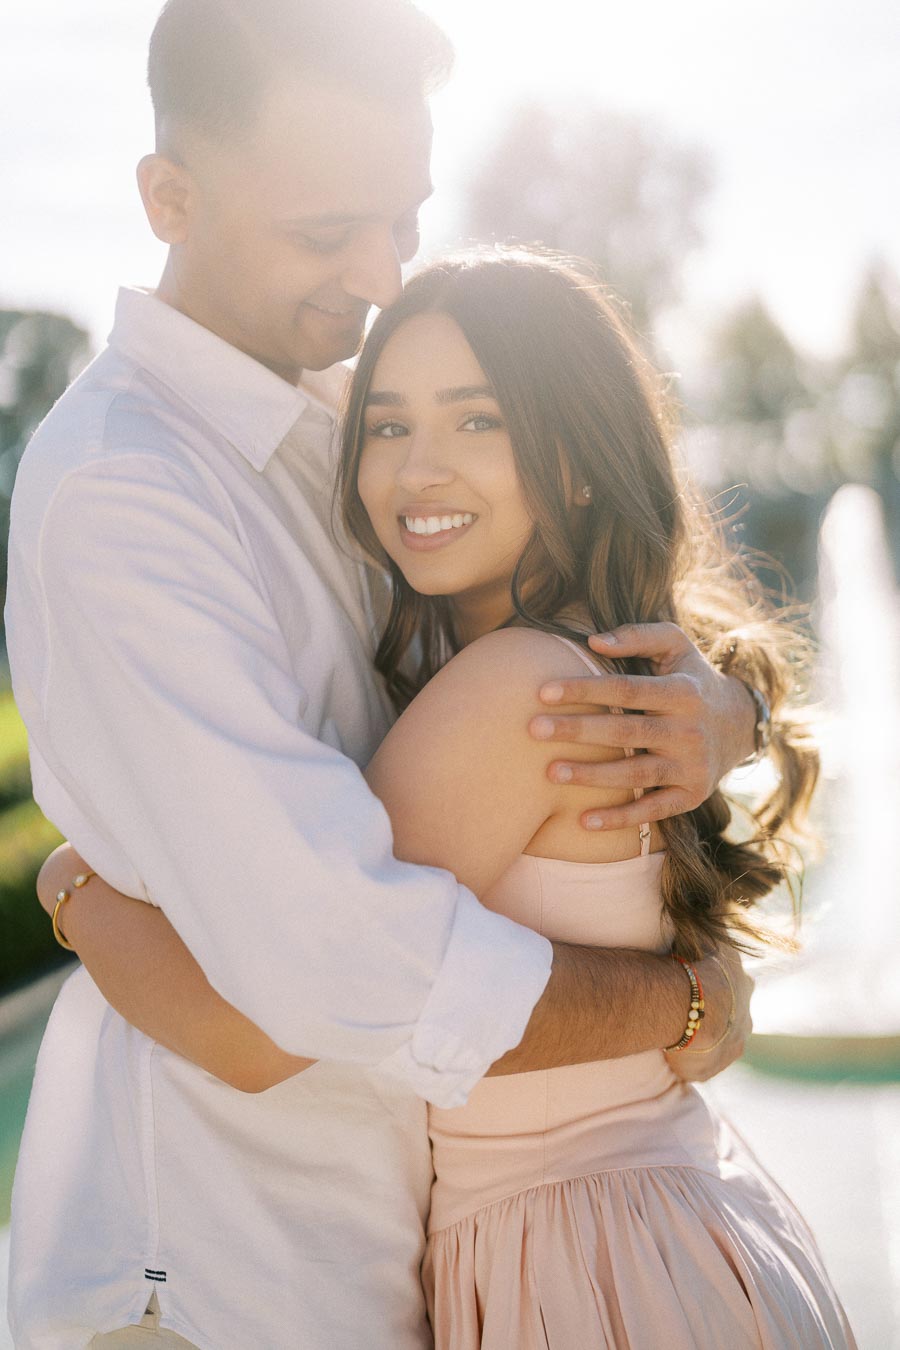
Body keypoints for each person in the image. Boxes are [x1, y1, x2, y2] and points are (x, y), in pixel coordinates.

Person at [6, 1, 766, 1346]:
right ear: (167, 197)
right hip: (210, 1264)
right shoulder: (131, 489)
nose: (375, 276)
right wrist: (683, 998)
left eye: (401, 220)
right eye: (323, 232)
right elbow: (312, 974)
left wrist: (724, 704)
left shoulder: (335, 431)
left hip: (375, 1257)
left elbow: (576, 601)